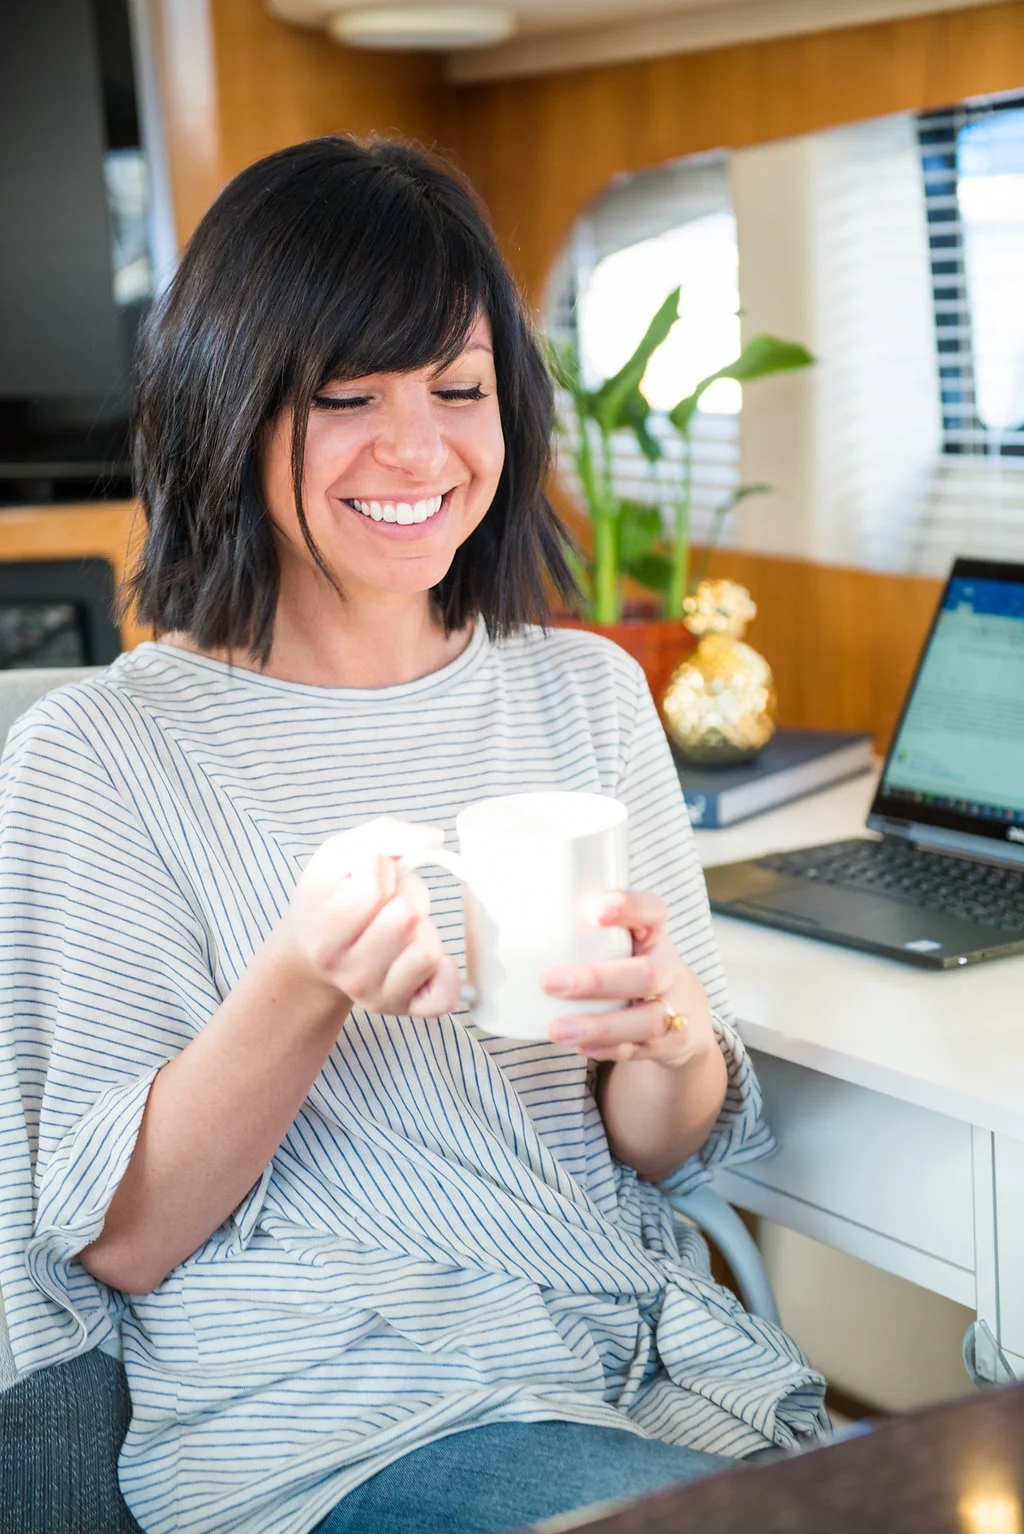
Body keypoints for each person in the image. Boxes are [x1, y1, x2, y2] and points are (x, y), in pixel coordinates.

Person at [0, 136, 828, 1534]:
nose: (417, 449)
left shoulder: (588, 693)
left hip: (606, 1357)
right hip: (325, 1413)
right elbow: (126, 1238)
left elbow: (653, 1145)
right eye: (347, 397)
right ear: (230, 407)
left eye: (459, 389)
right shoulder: (102, 753)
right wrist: (304, 979)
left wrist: (671, 1040)